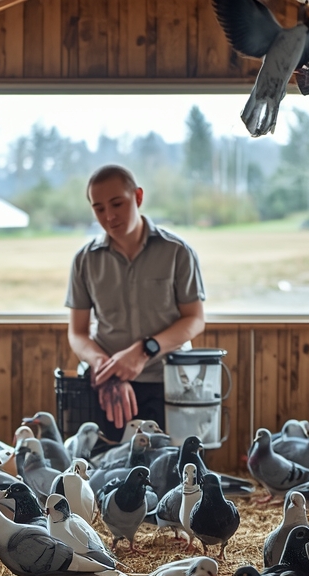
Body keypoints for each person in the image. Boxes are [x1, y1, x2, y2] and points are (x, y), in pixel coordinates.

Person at [65, 164, 206, 440]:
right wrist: (105, 368)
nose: (109, 216)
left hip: (168, 384)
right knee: (107, 474)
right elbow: (78, 332)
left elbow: (195, 319)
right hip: (108, 390)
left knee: (168, 475)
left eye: (117, 203)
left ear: (138, 197)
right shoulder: (84, 260)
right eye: (99, 208)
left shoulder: (177, 252)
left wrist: (143, 350)